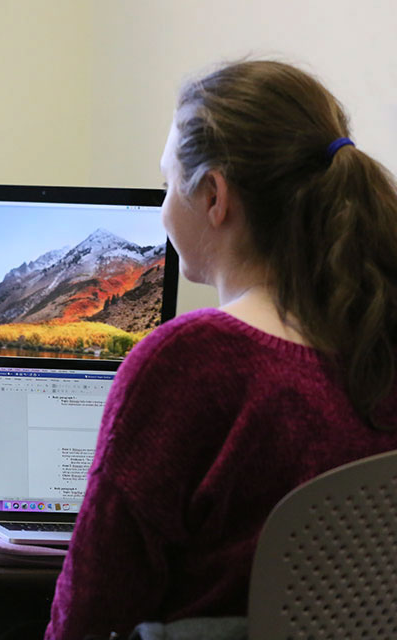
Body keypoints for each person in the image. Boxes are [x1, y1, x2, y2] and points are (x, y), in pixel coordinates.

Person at [44, 60, 397, 639]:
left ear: (215, 195)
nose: (162, 208)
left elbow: (90, 611)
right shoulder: (379, 345)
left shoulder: (192, 362)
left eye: (166, 183)